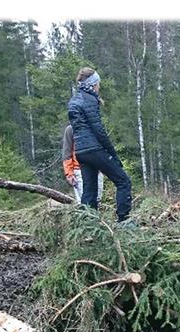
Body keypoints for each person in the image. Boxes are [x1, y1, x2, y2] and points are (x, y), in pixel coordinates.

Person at [67, 67, 133, 223]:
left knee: (89, 191)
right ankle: (124, 221)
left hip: (81, 152)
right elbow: (99, 131)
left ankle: (88, 225)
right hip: (94, 149)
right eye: (98, 83)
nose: (99, 86)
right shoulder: (90, 100)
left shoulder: (74, 101)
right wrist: (112, 154)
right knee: (123, 181)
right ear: (93, 84)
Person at [61, 124, 82, 200]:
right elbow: (67, 153)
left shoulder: (94, 125)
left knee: (98, 199)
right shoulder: (71, 129)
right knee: (84, 202)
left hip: (97, 170)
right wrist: (69, 174)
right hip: (79, 171)